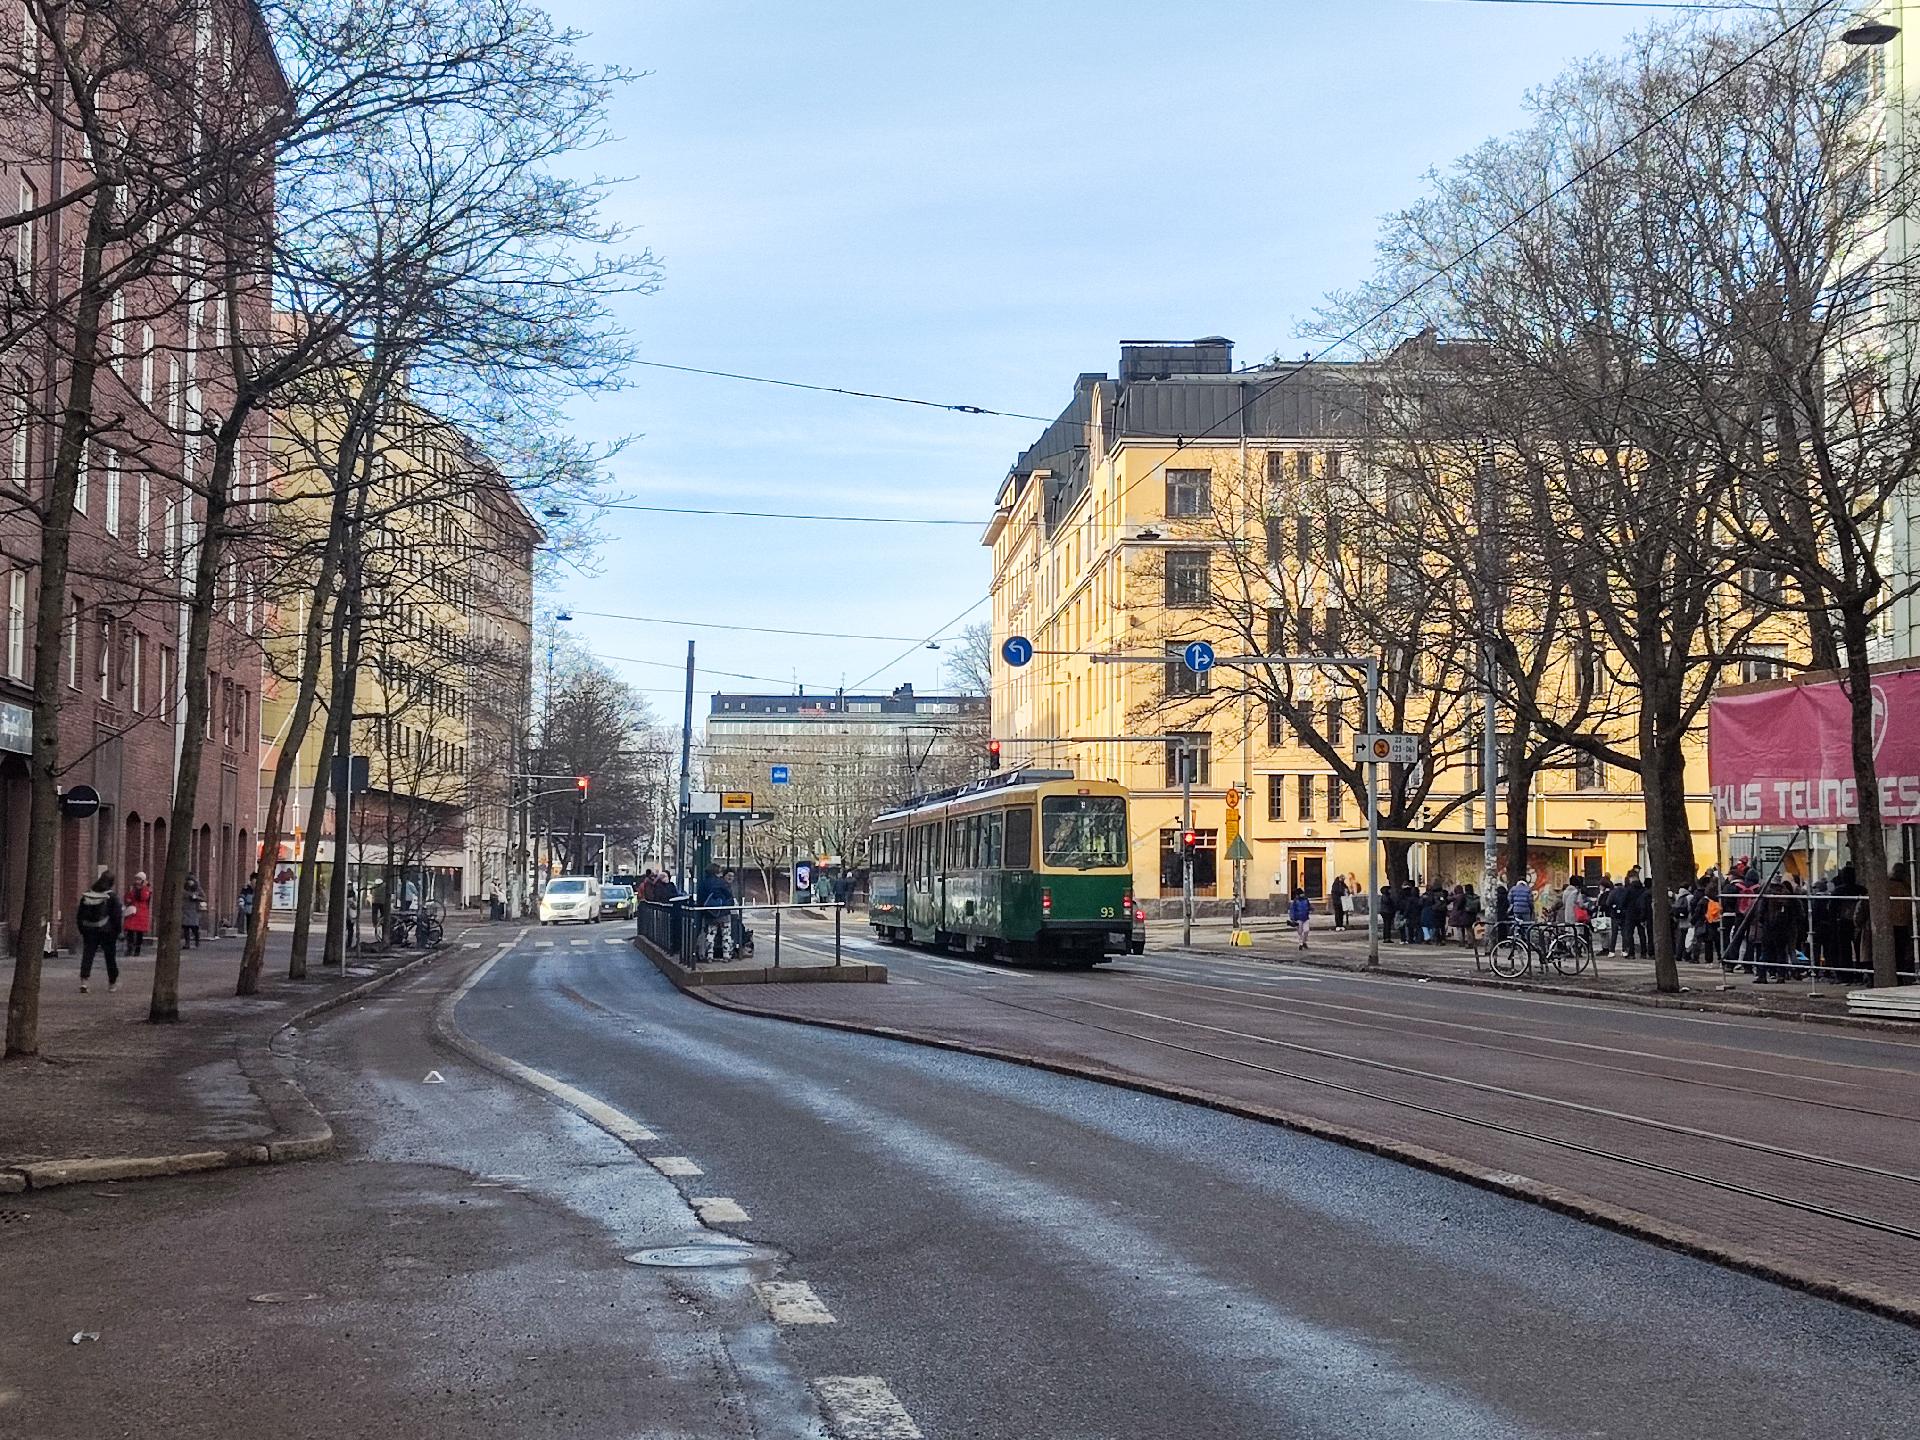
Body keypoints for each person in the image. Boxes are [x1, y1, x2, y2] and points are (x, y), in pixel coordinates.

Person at [76, 868, 123, 993]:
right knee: (110, 957)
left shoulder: (88, 894)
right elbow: (117, 916)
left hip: (89, 930)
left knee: (88, 955)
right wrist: (117, 931)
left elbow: (80, 914)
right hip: (107, 931)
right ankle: (112, 983)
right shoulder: (111, 896)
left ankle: (84, 981)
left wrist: (82, 929)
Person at [122, 871, 152, 956]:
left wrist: (142, 888)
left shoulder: (146, 889)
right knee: (130, 930)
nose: (137, 881)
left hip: (141, 912)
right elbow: (127, 897)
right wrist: (128, 899)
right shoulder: (132, 888)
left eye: (139, 879)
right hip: (132, 911)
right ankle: (130, 948)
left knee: (139, 932)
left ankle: (137, 949)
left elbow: (143, 897)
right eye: (136, 879)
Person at [182, 873, 205, 948]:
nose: (190, 882)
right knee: (185, 927)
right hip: (185, 909)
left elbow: (204, 898)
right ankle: (187, 943)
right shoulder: (184, 888)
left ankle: (197, 941)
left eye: (191, 881)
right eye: (188, 881)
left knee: (194, 927)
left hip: (194, 910)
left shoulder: (197, 888)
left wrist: (196, 897)